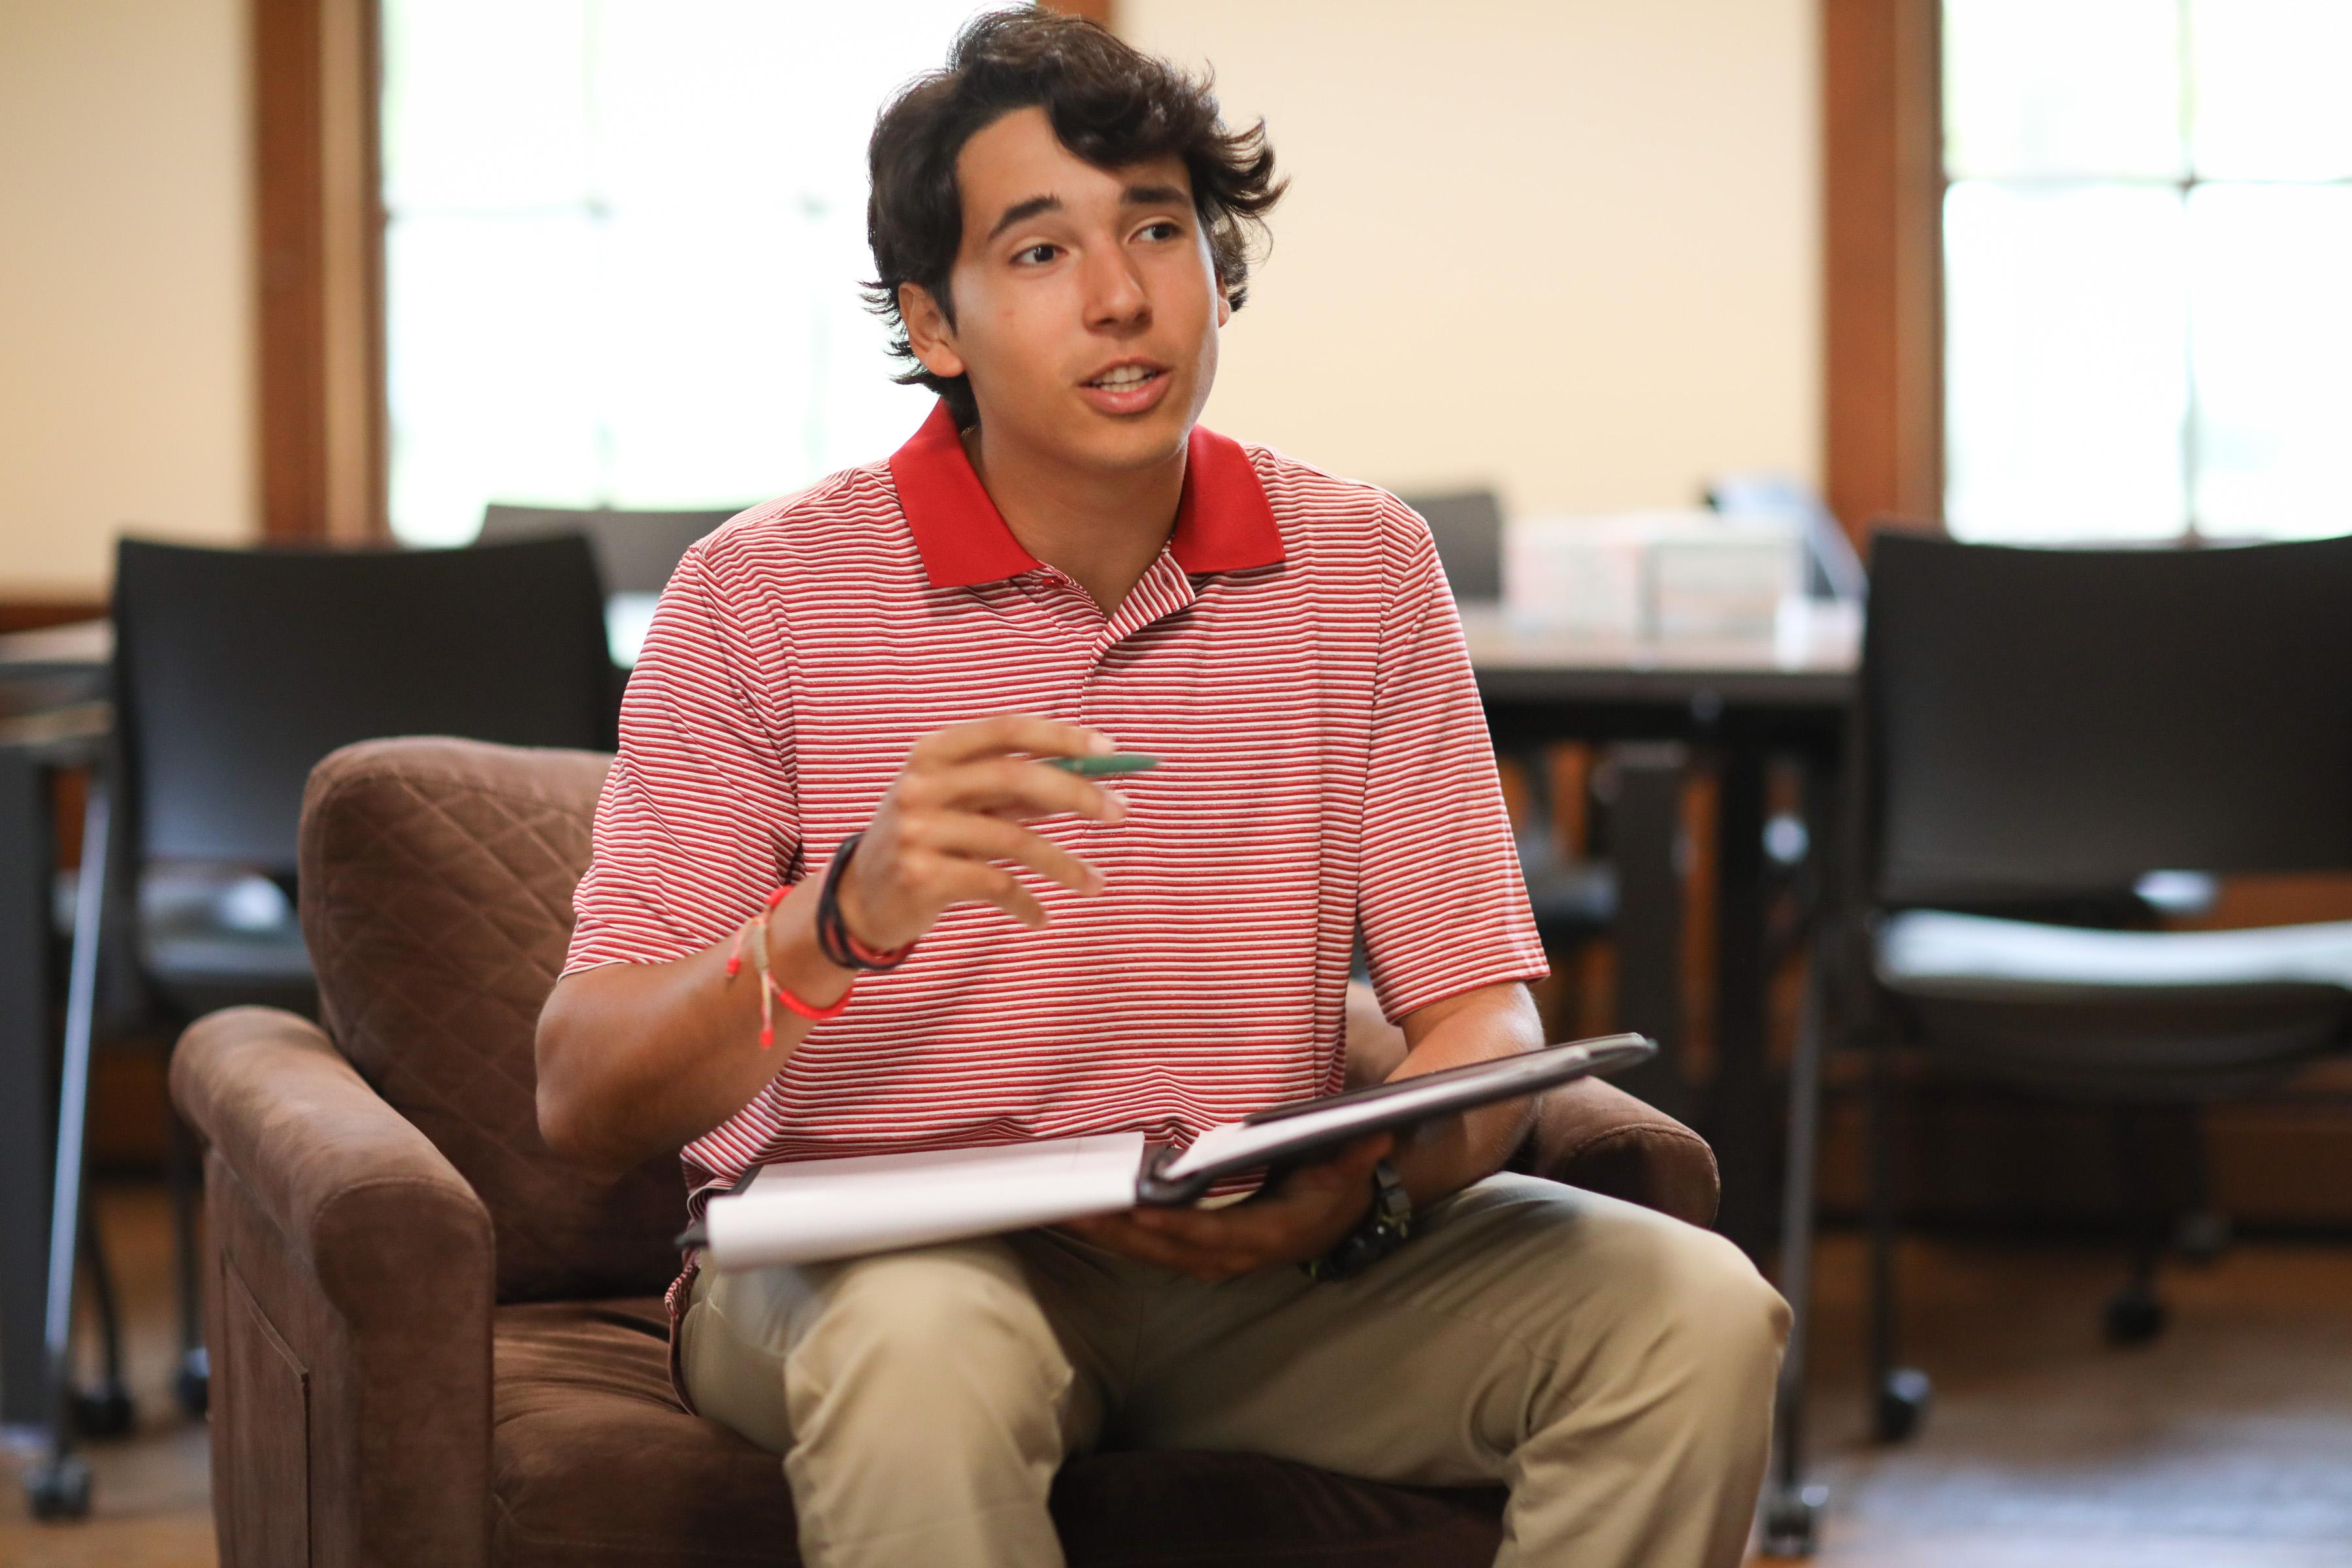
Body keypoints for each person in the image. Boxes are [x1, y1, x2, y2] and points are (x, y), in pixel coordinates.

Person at [534, 12, 1786, 1567]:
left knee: (1695, 1316)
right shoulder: (759, 594)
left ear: (1216, 268)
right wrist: (836, 920)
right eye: (1040, 251)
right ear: (936, 324)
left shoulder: (1363, 568)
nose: (1121, 295)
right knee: (926, 1349)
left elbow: (1486, 1021)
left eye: (1156, 230)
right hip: (873, 1266)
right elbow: (584, 1094)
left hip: (1251, 1270)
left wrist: (1371, 1187)